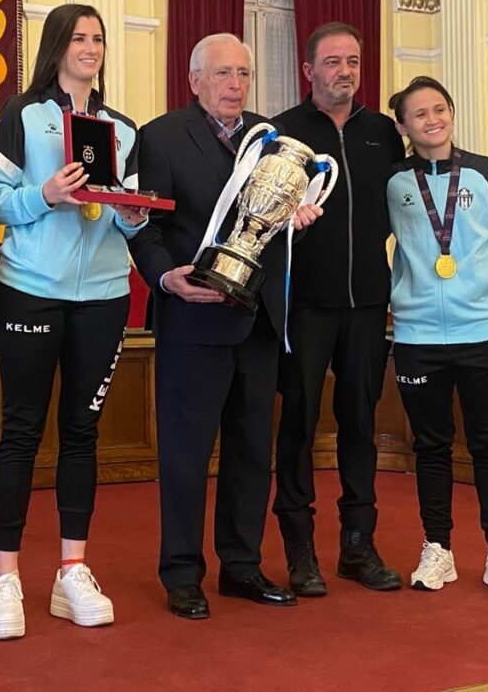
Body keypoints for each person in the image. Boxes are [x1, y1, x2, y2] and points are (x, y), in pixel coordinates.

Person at [129, 33, 321, 620]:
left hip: (258, 322)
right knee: (186, 456)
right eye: (222, 74)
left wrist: (297, 218)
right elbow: (143, 226)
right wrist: (165, 279)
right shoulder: (160, 137)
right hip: (192, 317)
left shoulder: (273, 141)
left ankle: (241, 566)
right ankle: (182, 573)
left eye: (243, 74)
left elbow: (271, 224)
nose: (235, 85)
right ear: (194, 81)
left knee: (251, 453)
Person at [0, 4, 149, 640]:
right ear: (56, 47)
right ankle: (6, 577)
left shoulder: (123, 130)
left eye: (98, 38)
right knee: (22, 431)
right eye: (79, 37)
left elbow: (127, 212)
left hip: (104, 297)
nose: (91, 47)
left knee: (82, 432)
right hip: (29, 291)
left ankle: (71, 571)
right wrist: (44, 195)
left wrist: (132, 217)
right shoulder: (22, 115)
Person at [386, 76, 488, 596]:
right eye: (420, 114)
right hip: (416, 338)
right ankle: (438, 549)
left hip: (482, 335)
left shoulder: (485, 172)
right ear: (403, 127)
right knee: (430, 448)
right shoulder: (393, 181)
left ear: (451, 113)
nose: (433, 120)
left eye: (440, 109)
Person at [271, 22, 405, 596]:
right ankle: (300, 551)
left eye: (352, 60)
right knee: (298, 426)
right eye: (332, 62)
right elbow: (265, 218)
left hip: (368, 303)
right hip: (304, 305)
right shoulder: (283, 132)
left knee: (360, 425)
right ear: (309, 71)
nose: (344, 71)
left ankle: (358, 546)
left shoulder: (383, 133)